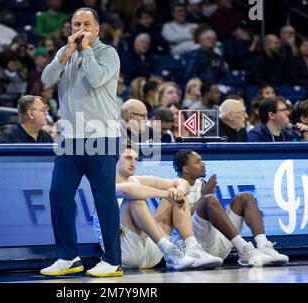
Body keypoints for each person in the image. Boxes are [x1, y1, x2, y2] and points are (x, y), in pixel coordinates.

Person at [40, 7, 122, 277]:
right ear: (70, 27)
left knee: (104, 200)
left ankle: (112, 260)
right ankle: (68, 257)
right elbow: (46, 79)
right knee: (58, 195)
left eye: (87, 24)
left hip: (102, 137)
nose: (81, 29)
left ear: (97, 29)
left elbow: (97, 79)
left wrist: (85, 50)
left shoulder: (107, 53)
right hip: (70, 140)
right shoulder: (66, 53)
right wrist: (65, 55)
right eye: (76, 24)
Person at [93, 146, 223, 270]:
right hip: (123, 253)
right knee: (135, 200)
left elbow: (182, 182)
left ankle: (192, 247)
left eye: (136, 159)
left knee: (177, 195)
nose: (133, 163)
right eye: (128, 158)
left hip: (154, 253)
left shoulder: (137, 179)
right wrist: (166, 194)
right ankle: (170, 251)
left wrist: (178, 191)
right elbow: (128, 190)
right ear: (115, 159)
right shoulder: (104, 183)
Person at [173, 149, 289, 266]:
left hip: (219, 242)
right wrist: (203, 197)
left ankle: (264, 246)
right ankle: (245, 250)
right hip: (196, 247)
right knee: (209, 199)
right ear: (186, 168)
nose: (203, 164)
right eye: (198, 162)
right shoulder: (174, 188)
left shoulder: (202, 184)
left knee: (245, 197)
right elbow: (179, 223)